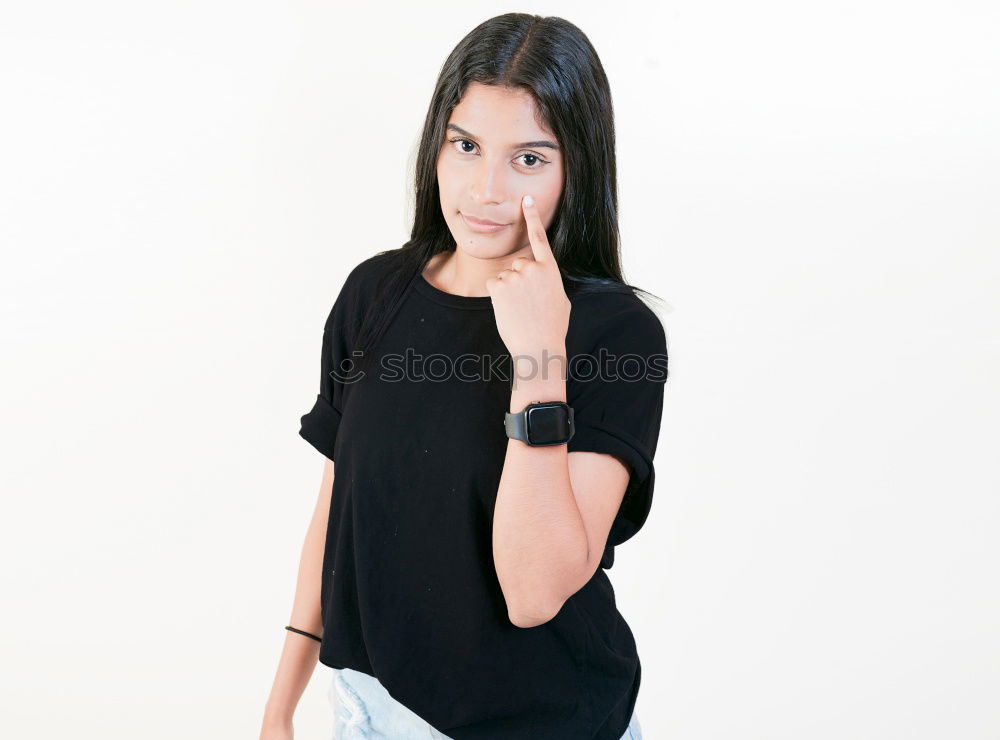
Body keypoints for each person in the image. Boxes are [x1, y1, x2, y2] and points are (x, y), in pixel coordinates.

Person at [261, 12, 669, 740]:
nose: (485, 189)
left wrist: (540, 356)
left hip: (547, 721)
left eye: (529, 159)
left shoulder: (614, 335)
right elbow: (338, 506)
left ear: (577, 165)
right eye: (468, 145)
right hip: (369, 707)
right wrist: (279, 703)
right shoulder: (375, 294)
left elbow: (534, 592)